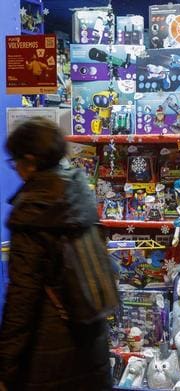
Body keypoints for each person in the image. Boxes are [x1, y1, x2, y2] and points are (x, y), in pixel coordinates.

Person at [0, 117, 112, 390]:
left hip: (51, 350)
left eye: (14, 161)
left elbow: (22, 299)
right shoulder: (79, 192)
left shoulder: (33, 211)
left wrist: (6, 366)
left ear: (30, 160)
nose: (14, 169)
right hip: (92, 340)